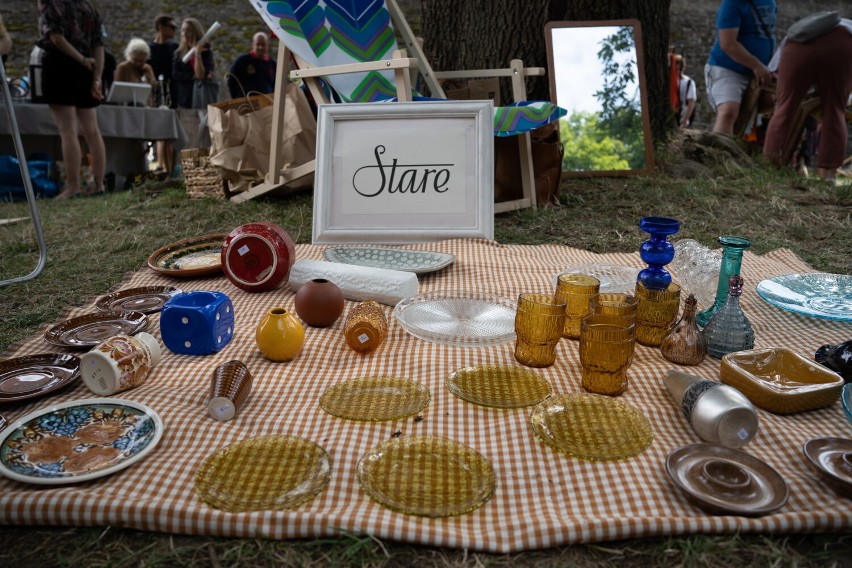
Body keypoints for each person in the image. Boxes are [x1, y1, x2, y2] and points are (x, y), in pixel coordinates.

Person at [763, 20, 852, 182]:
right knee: (835, 111)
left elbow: (773, 71)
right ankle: (828, 176)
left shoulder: (801, 30)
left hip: (797, 48)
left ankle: (769, 167)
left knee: (784, 108)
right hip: (841, 47)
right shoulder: (846, 29)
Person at [37, 0, 107, 199]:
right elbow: (98, 43)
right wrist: (97, 77)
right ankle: (99, 184)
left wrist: (81, 60)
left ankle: (73, 187)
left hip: (60, 65)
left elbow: (56, 38)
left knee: (67, 130)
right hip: (86, 69)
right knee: (91, 130)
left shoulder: (50, 3)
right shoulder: (88, 7)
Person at [705, 0, 777, 136]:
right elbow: (727, 44)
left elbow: (767, 35)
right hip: (727, 68)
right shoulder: (731, 4)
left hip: (758, 71)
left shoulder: (770, 2)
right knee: (728, 111)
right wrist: (756, 65)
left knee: (773, 105)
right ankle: (719, 154)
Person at [172, 18, 214, 110]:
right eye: (183, 30)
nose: (185, 33)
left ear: (195, 32)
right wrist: (191, 76)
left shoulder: (206, 53)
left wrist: (197, 54)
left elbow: (200, 75)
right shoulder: (178, 53)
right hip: (184, 98)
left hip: (202, 96)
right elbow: (176, 74)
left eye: (188, 30)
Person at [226, 31, 277, 98]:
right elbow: (231, 81)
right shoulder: (241, 61)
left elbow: (276, 85)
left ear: (268, 46)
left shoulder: (272, 64)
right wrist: (236, 99)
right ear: (253, 45)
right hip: (246, 104)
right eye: (258, 44)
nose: (260, 47)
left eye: (263, 45)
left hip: (267, 104)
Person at [148, 14, 178, 107]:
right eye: (172, 27)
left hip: (172, 90)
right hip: (154, 90)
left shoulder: (174, 47)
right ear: (161, 27)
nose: (174, 30)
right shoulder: (149, 48)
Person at [676, 55, 697, 128]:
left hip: (682, 118)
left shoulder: (689, 82)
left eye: (679, 64)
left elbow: (691, 103)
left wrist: (685, 121)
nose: (677, 67)